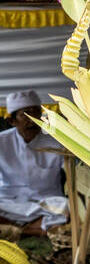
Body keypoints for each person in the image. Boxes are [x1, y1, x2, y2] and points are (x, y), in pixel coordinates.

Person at [0, 91, 68, 235]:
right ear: (12, 121)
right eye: (25, 114)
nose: (32, 119)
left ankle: (17, 230)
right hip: (9, 201)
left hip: (47, 201)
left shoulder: (57, 141)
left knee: (66, 207)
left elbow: (72, 171)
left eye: (36, 113)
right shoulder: (2, 141)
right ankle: (36, 228)